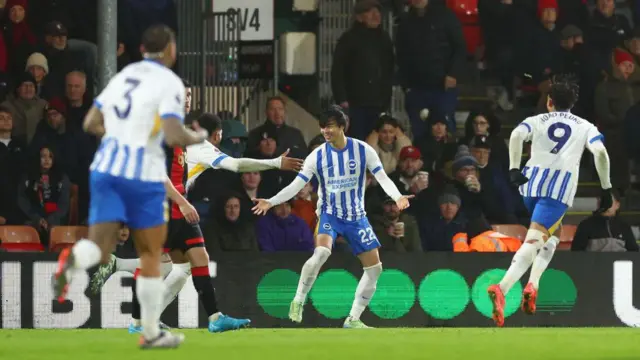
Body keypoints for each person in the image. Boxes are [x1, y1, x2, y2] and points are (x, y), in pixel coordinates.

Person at [52, 25, 206, 349]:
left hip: (105, 169)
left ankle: (72, 259)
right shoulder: (169, 83)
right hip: (140, 173)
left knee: (98, 246)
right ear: (169, 50)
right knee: (151, 254)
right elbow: (175, 134)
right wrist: (197, 138)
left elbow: (91, 123)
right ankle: (150, 332)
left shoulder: (123, 78)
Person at [252, 107, 413, 328]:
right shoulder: (317, 156)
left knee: (375, 270)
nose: (325, 130)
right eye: (322, 126)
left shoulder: (363, 150)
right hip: (330, 213)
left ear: (341, 126)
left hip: (357, 217)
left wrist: (397, 197)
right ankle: (298, 300)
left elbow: (382, 177)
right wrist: (271, 201)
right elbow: (296, 185)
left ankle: (353, 319)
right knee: (321, 252)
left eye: (329, 126)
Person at [487, 76, 612, 327]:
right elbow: (599, 152)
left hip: (530, 184)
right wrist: (606, 187)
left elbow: (515, 136)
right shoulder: (585, 126)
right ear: (572, 104)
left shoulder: (537, 120)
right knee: (534, 240)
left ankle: (533, 285)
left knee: (551, 238)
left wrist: (514, 168)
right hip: (558, 190)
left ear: (549, 102)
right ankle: (503, 287)